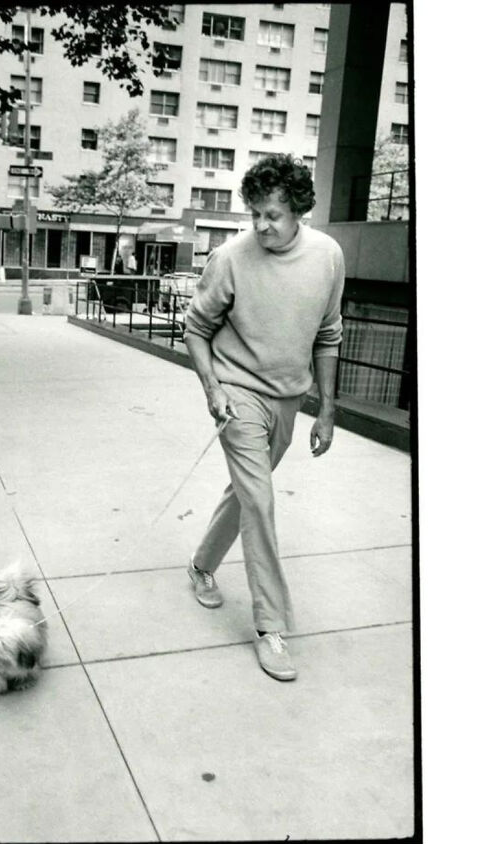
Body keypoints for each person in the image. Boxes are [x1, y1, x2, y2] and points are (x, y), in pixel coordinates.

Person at [183, 153, 345, 683]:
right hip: (237, 394)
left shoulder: (328, 257)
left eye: (272, 214)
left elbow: (328, 334)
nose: (260, 225)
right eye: (254, 213)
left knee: (244, 495)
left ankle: (202, 564)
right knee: (259, 500)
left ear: (298, 208)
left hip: (288, 400)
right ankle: (271, 626)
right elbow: (196, 327)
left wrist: (327, 406)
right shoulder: (231, 257)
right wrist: (212, 388)